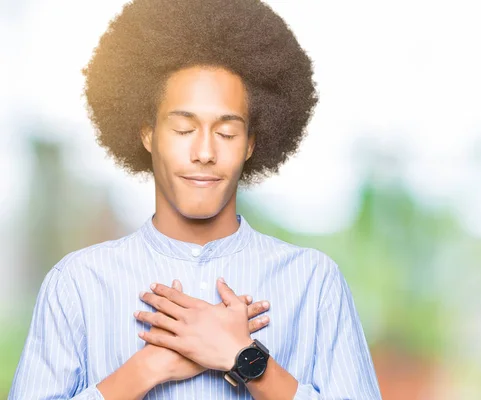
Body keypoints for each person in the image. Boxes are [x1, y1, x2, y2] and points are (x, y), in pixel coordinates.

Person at [9, 0, 382, 398]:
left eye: (226, 132)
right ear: (148, 134)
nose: (204, 152)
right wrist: (148, 367)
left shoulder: (314, 283)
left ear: (251, 143)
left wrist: (245, 359)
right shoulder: (77, 286)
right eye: (184, 129)